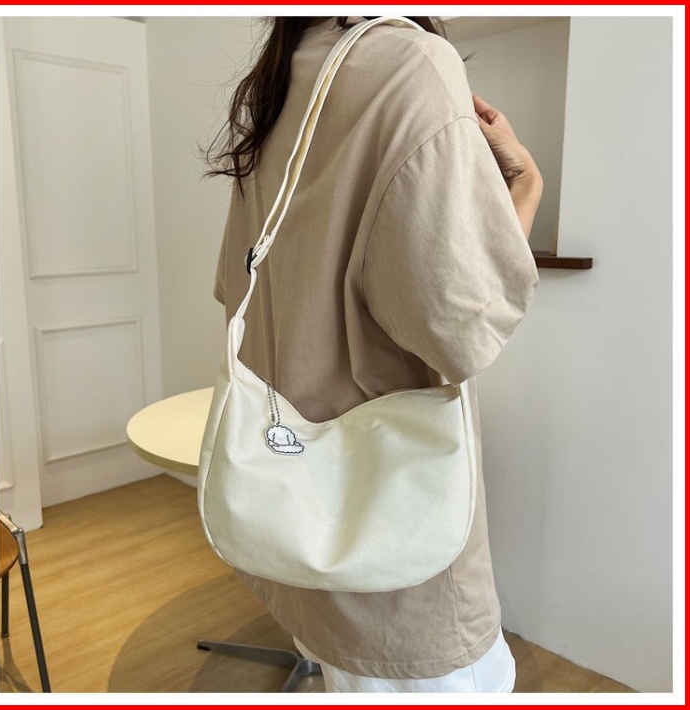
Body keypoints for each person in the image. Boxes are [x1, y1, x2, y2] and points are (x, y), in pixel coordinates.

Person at [205, 16, 542, 693]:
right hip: (399, 555)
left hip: (298, 523)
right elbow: (462, 326)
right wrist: (526, 185)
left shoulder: (278, 81)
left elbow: (237, 287)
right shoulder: (412, 64)